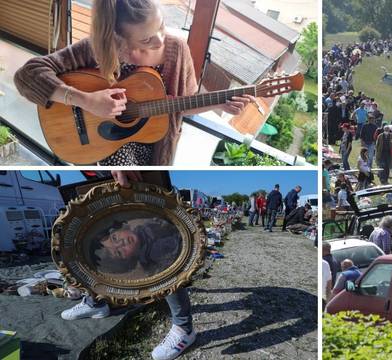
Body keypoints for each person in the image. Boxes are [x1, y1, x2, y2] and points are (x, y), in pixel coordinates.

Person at [14, 0, 253, 166]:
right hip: (110, 145)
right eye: (147, 38)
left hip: (157, 148)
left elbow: (183, 103)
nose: (160, 40)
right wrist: (85, 100)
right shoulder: (97, 48)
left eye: (160, 27)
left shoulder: (177, 50)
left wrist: (218, 104)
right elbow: (27, 75)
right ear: (119, 36)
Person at [60, 171, 195, 360]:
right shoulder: (145, 258)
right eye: (118, 252)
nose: (120, 244)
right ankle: (96, 302)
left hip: (137, 177)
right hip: (99, 175)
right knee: (86, 256)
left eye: (115, 237)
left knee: (169, 273)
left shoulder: (152, 232)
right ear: (125, 261)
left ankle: (184, 327)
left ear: (121, 227)